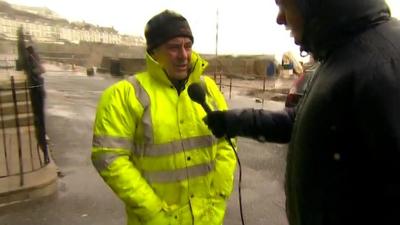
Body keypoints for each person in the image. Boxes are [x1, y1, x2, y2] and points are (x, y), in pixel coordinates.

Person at [204, 0, 400, 225]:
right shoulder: (339, 57)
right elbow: (298, 121)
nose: (280, 18)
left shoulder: (384, 65)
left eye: (283, 5)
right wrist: (234, 121)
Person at [91, 10, 237, 225]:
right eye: (173, 47)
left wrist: (218, 197)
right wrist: (155, 213)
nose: (183, 55)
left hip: (208, 217)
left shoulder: (208, 89)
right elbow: (109, 158)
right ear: (153, 52)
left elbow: (227, 142)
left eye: (188, 46)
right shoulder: (124, 95)